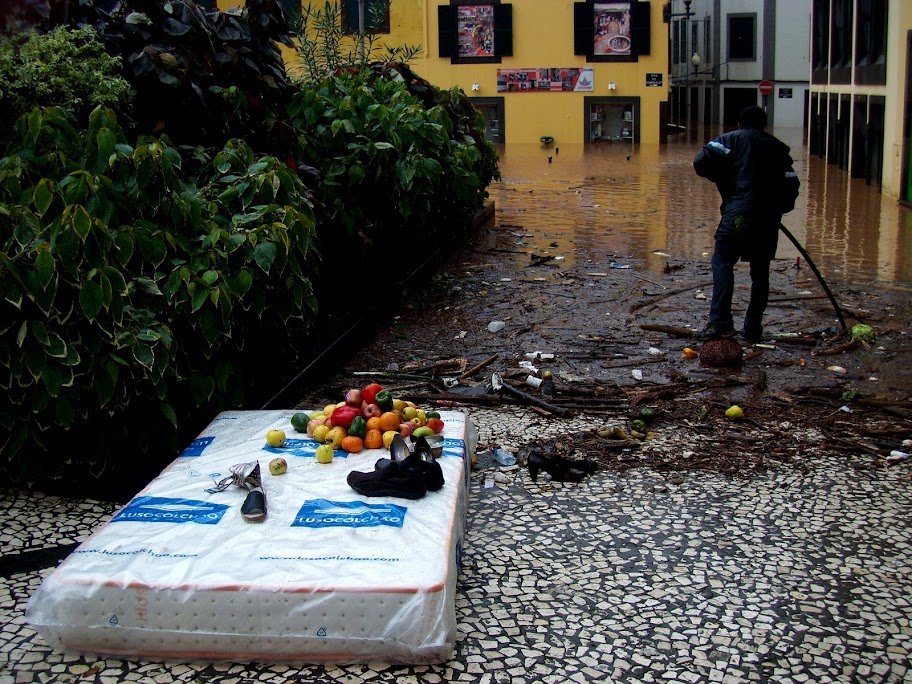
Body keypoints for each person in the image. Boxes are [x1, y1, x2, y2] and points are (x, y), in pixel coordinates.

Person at [693, 105, 800, 341]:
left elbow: (700, 162)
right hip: (767, 220)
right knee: (760, 272)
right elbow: (792, 183)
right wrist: (777, 208)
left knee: (723, 262)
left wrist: (723, 179)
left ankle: (721, 323)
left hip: (737, 215)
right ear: (764, 126)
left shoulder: (729, 140)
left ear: (740, 124)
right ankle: (753, 328)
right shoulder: (778, 149)